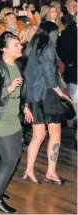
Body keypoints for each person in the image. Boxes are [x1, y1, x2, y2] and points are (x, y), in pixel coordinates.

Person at [0, 32, 27, 213]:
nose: (21, 47)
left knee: (13, 156)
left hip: (13, 118)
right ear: (4, 49)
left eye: (20, 44)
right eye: (16, 45)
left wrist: (25, 108)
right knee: (9, 160)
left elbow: (20, 93)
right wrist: (9, 87)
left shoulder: (17, 64)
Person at [23, 22, 70, 186]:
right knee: (55, 134)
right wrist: (63, 96)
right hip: (48, 96)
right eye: (56, 34)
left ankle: (29, 170)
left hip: (34, 96)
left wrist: (27, 102)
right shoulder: (48, 48)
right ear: (51, 33)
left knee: (38, 136)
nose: (57, 36)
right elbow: (50, 80)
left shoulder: (31, 47)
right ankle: (51, 172)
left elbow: (27, 75)